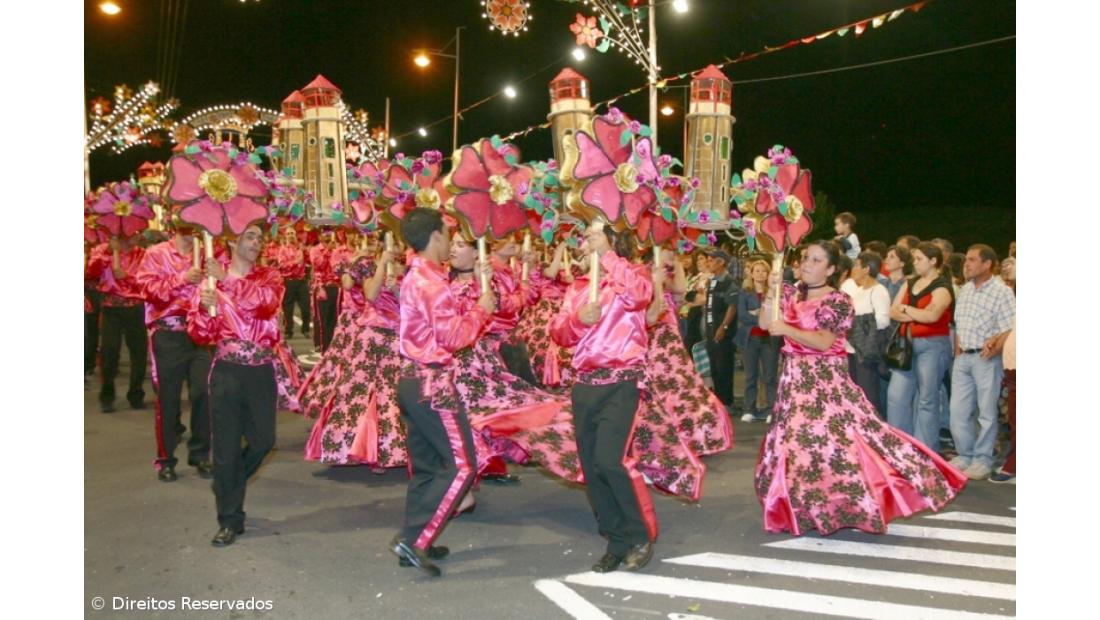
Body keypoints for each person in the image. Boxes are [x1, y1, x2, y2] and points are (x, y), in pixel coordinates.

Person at [754, 240, 966, 535]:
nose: (806, 264)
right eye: (805, 258)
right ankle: (808, 507)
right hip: (793, 379)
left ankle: (852, 499)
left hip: (824, 382)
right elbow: (766, 323)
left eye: (816, 260)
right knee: (797, 445)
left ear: (830, 269)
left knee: (838, 442)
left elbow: (825, 341)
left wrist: (788, 329)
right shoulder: (790, 293)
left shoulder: (838, 301)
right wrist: (770, 293)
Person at [389, 208, 494, 577]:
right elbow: (454, 338)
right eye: (448, 233)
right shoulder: (430, 283)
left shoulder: (420, 276)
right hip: (433, 384)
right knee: (464, 465)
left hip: (413, 382)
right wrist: (482, 312)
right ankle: (416, 542)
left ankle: (415, 537)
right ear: (435, 236)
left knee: (429, 468)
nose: (451, 241)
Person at [551, 222, 657, 574]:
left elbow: (641, 295)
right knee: (593, 468)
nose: (588, 242)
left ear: (612, 241)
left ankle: (638, 535)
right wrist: (579, 320)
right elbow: (559, 332)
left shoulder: (632, 275)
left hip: (622, 381)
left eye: (596, 235)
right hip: (585, 384)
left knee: (609, 460)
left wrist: (607, 257)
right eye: (588, 237)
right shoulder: (579, 287)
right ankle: (616, 541)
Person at [188, 222, 297, 547]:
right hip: (227, 371)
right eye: (250, 236)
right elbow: (199, 335)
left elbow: (264, 304)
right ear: (233, 241)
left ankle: (228, 483)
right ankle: (230, 519)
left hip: (261, 369)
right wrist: (207, 309)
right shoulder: (211, 283)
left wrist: (227, 281)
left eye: (259, 237)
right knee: (225, 450)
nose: (257, 242)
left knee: (264, 440)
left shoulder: (269, 277)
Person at [135, 221, 212, 481]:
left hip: (200, 334)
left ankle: (200, 453)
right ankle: (166, 458)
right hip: (168, 334)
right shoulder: (157, 253)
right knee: (168, 399)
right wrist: (181, 278)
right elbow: (146, 289)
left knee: (204, 391)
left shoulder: (210, 253)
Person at [948, 245, 1015, 480]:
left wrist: (995, 346)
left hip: (986, 358)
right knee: (958, 410)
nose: (966, 264)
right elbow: (958, 323)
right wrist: (957, 346)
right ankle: (965, 454)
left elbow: (1010, 327)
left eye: (973, 260)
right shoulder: (965, 289)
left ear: (987, 264)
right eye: (966, 259)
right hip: (963, 357)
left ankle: (982, 459)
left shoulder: (1001, 291)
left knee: (986, 412)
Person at [887, 242, 954, 452]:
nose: (914, 263)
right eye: (914, 259)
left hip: (933, 346)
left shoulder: (943, 287)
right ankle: (899, 446)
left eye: (919, 259)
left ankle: (925, 449)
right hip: (906, 345)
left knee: (927, 399)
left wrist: (906, 309)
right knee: (897, 395)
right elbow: (892, 312)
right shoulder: (910, 282)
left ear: (933, 261)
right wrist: (916, 313)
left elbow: (932, 316)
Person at [86, 236, 148, 412]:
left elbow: (147, 281)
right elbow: (90, 273)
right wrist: (107, 253)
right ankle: (107, 395)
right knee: (109, 352)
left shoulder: (143, 254)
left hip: (135, 308)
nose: (128, 237)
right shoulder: (102, 250)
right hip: (110, 308)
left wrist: (126, 277)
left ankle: (136, 393)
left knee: (139, 352)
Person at [840, 252, 891, 416]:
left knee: (868, 394)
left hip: (866, 351)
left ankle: (874, 429)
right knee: (854, 393)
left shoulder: (878, 290)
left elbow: (883, 320)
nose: (853, 269)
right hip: (851, 348)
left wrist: (858, 323)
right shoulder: (859, 291)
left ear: (866, 269)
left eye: (856, 265)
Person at [736, 258, 780, 423]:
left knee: (769, 376)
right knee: (750, 376)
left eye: (764, 271)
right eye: (757, 271)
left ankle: (771, 409)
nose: (760, 274)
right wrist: (762, 318)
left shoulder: (774, 292)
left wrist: (759, 313)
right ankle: (749, 409)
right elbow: (742, 315)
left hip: (769, 339)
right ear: (752, 274)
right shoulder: (745, 292)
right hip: (750, 338)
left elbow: (776, 314)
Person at [700, 248, 739, 411]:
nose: (708, 263)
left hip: (722, 332)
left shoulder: (729, 282)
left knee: (724, 368)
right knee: (714, 367)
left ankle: (726, 402)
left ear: (721, 262)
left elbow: (732, 306)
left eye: (711, 260)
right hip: (710, 330)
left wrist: (723, 327)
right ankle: (718, 401)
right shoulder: (711, 281)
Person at [270, 227, 310, 339]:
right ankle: (288, 331)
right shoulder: (282, 250)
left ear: (296, 234)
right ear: (285, 236)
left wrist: (304, 252)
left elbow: (309, 261)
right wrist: (295, 262)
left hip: (301, 281)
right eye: (288, 233)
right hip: (289, 281)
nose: (291, 235)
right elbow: (282, 265)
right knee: (288, 309)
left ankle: (306, 329)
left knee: (306, 308)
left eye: (292, 233)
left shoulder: (301, 248)